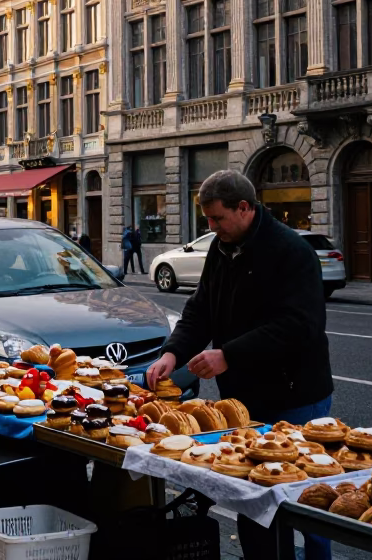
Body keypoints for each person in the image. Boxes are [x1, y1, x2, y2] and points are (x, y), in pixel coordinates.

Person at [146, 170, 333, 560]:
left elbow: (299, 326)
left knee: (304, 498)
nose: (212, 228)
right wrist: (172, 353)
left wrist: (228, 355)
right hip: (246, 398)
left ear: (245, 208)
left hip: (295, 395)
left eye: (218, 218)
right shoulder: (222, 248)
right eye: (208, 220)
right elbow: (201, 311)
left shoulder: (290, 251)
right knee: (253, 496)